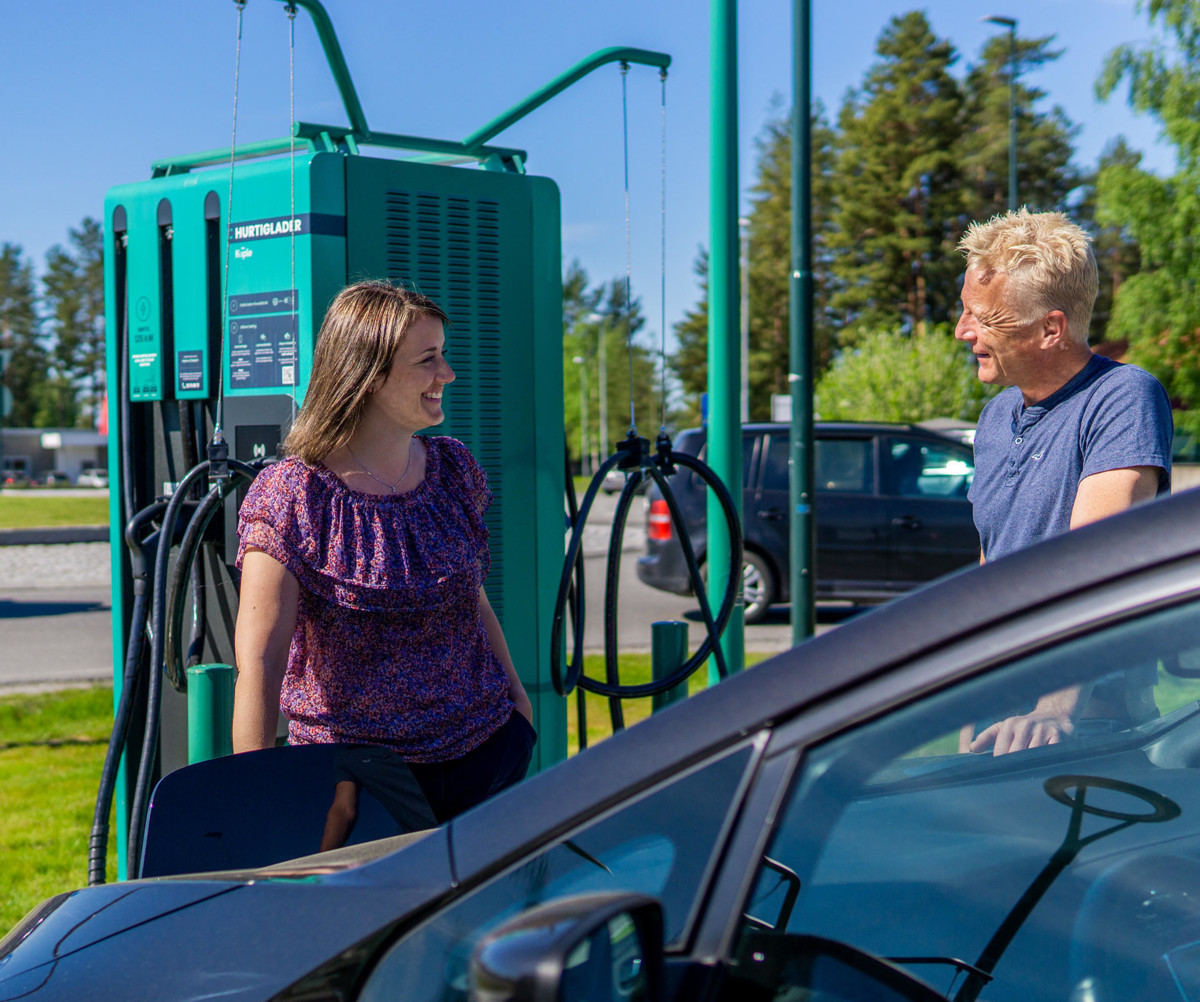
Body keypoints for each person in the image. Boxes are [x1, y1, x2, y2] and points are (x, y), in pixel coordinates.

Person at [232, 280, 536, 837]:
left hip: (485, 755)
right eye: (428, 359)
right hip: (360, 787)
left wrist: (519, 703)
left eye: (443, 355)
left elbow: (472, 600)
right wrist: (259, 803)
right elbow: (260, 662)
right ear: (368, 375)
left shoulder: (453, 468)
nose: (446, 373)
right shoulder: (293, 494)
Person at [953, 208, 1172, 756]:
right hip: (994, 713)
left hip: (1090, 728)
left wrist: (1053, 709)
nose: (963, 332)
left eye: (984, 319)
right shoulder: (996, 417)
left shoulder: (1122, 397)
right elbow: (990, 568)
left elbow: (1093, 564)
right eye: (964, 312)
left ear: (1051, 329)